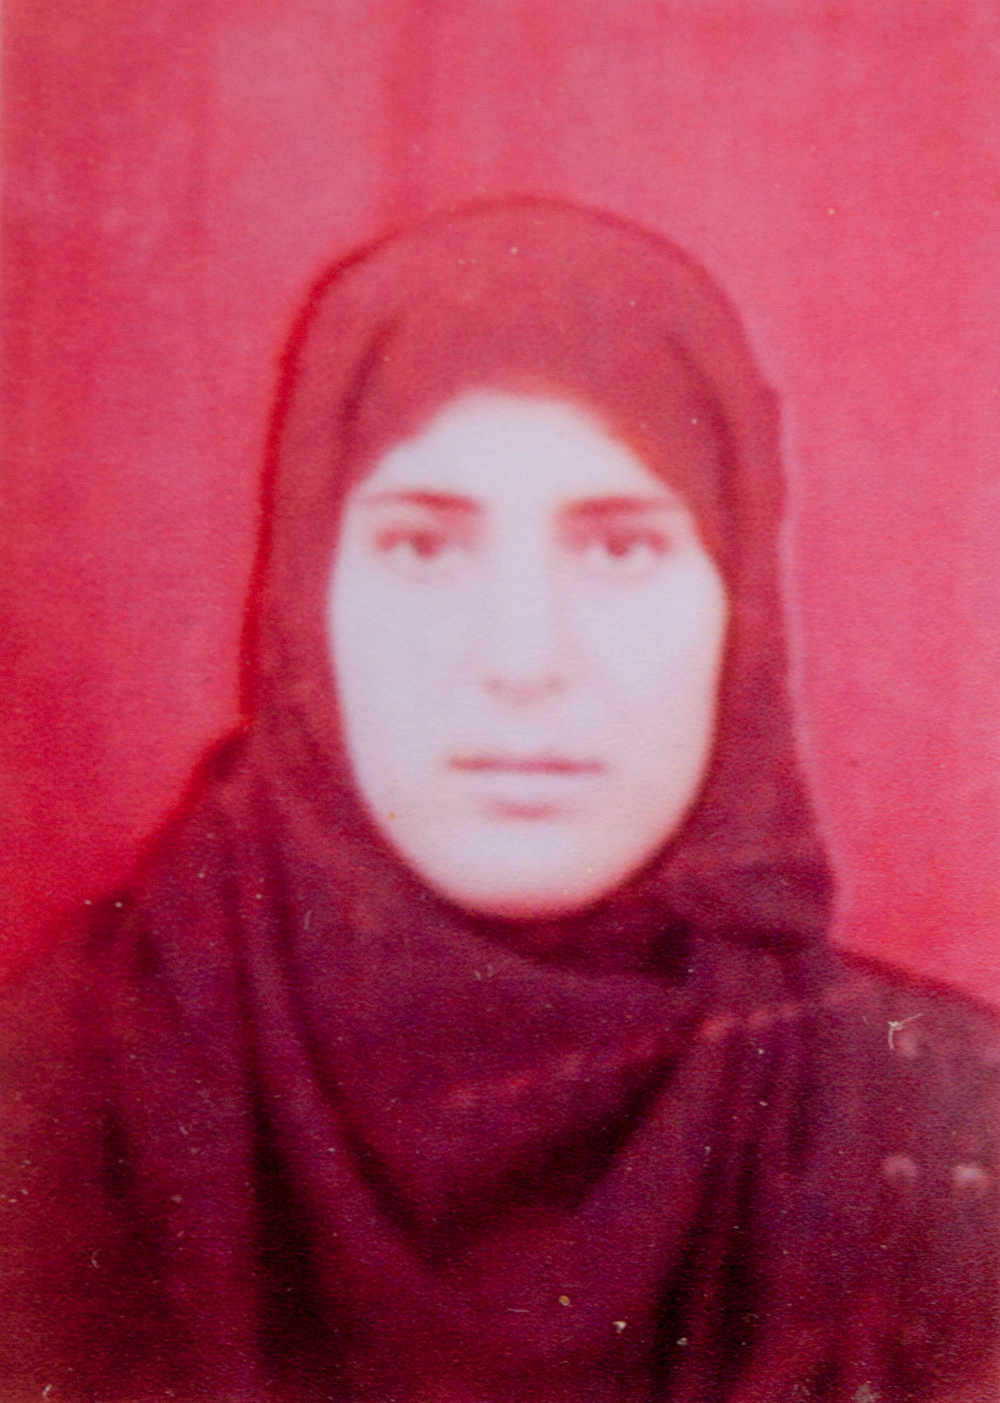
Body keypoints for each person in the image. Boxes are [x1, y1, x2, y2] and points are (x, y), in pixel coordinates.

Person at [0, 199, 996, 1403]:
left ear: (740, 613)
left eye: (619, 546)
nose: (523, 658)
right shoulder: (52, 1107)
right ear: (303, 601)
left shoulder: (949, 1140)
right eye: (423, 547)